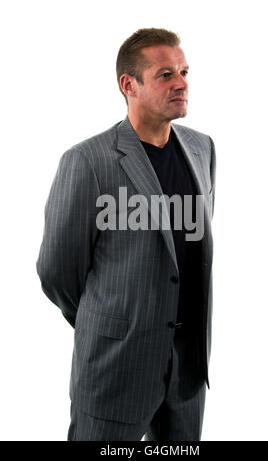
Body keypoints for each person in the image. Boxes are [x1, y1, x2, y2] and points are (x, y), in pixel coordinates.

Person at [36, 27, 216, 441]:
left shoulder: (202, 148)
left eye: (185, 72)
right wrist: (109, 322)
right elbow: (56, 271)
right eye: (165, 74)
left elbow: (189, 250)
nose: (182, 84)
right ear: (128, 85)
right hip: (116, 368)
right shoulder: (87, 161)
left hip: (187, 372)